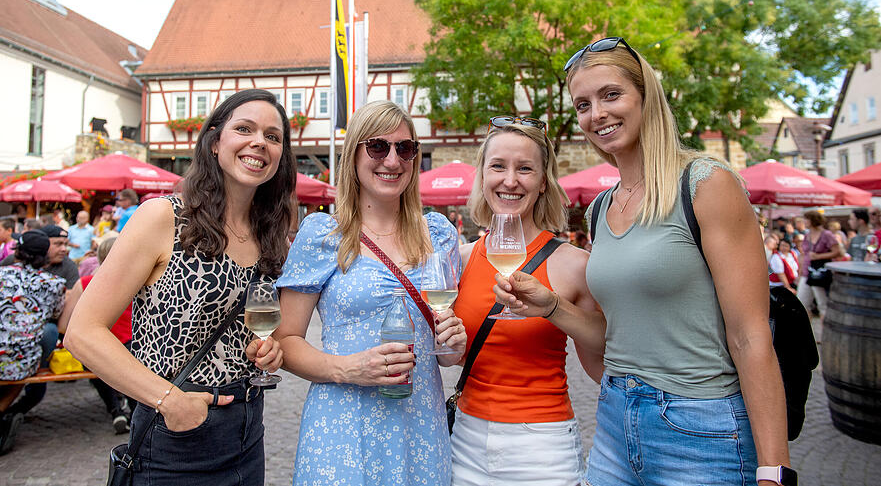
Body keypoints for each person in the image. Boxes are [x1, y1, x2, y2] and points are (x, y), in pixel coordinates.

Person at [511, 36, 791, 485]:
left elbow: (750, 335)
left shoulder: (705, 184)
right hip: (615, 421)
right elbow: (615, 338)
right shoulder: (601, 208)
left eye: (610, 95)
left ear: (646, 96)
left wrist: (775, 470)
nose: (595, 114)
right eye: (582, 105)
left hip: (702, 425)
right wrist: (551, 306)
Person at [64, 89, 289, 485]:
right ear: (215, 141)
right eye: (244, 128)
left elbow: (244, 333)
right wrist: (170, 402)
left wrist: (268, 350)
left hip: (248, 428)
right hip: (175, 434)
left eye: (273, 136)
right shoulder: (164, 218)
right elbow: (82, 332)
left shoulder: (271, 237)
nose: (260, 142)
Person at [275, 100, 468, 486]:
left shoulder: (439, 234)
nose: (393, 161)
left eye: (406, 148)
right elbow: (285, 341)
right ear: (355, 155)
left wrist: (453, 343)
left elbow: (446, 354)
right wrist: (348, 368)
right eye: (378, 147)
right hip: (342, 426)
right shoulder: (323, 235)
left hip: (420, 427)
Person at [452, 115, 604, 486]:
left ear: (542, 183)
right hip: (465, 440)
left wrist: (554, 308)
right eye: (498, 167)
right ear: (483, 176)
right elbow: (453, 355)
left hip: (543, 446)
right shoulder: (460, 259)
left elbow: (601, 357)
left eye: (525, 169)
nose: (510, 180)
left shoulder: (574, 265)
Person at [0, 230, 66, 457]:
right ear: (44, 254)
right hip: (23, 358)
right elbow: (55, 313)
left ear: (18, 252)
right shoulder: (54, 283)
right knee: (25, 363)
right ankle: (0, 412)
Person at [59, 235, 133, 434]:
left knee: (96, 361)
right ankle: (134, 415)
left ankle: (116, 409)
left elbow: (64, 326)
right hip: (133, 347)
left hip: (98, 348)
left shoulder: (85, 283)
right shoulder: (141, 281)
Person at [797, 210, 842, 318]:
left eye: (806, 219)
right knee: (801, 304)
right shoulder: (807, 235)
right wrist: (800, 271)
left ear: (813, 220)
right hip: (807, 272)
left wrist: (819, 256)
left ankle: (824, 331)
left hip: (819, 272)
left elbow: (837, 252)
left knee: (822, 303)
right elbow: (804, 254)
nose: (804, 221)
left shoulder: (826, 234)